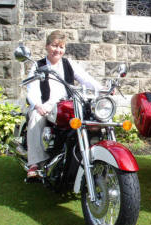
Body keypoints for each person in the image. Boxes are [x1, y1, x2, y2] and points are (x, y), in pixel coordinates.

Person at [26, 30, 102, 178]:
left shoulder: (69, 64)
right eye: (55, 46)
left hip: (66, 106)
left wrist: (103, 89)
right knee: (35, 117)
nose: (58, 50)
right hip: (45, 105)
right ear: (47, 46)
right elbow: (31, 89)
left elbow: (87, 79)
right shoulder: (38, 65)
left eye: (61, 47)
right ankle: (35, 164)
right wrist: (37, 105)